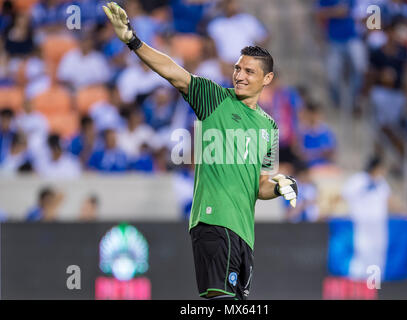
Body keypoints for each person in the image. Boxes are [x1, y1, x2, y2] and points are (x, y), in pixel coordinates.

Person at [103, 2, 298, 300]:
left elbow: (261, 185)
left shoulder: (269, 126)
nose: (240, 75)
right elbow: (173, 71)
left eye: (249, 71)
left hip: (243, 234)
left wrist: (282, 185)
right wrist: (133, 41)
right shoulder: (214, 98)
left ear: (267, 79)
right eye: (237, 68)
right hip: (214, 222)